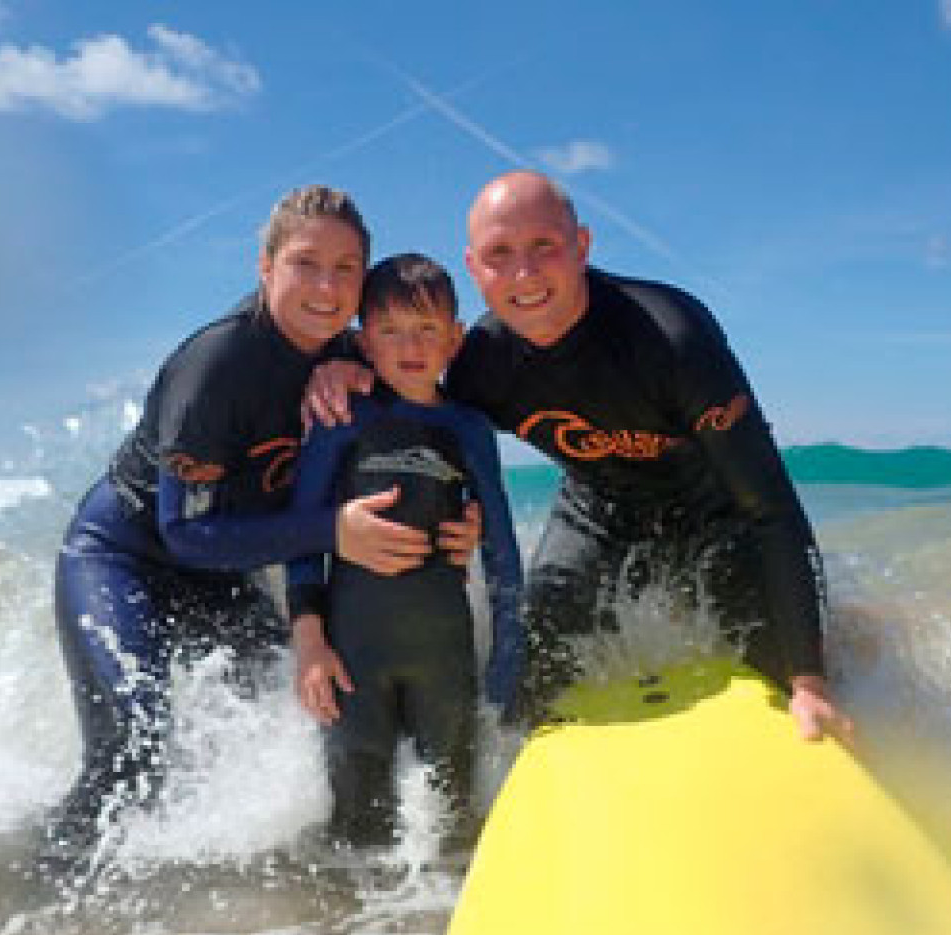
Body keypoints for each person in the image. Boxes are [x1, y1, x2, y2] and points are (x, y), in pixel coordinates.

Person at [307, 170, 852, 743]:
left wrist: (809, 681)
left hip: (717, 515)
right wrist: (344, 364)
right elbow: (411, 385)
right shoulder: (482, 364)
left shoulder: (672, 338)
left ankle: (845, 645)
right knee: (534, 673)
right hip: (598, 512)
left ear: (582, 246)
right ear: (475, 268)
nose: (524, 274)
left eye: (543, 246)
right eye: (500, 254)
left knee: (781, 672)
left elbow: (770, 508)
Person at [46, 185, 480, 854]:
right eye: (305, 264)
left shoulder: (360, 353)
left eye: (345, 269)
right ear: (265, 266)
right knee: (133, 746)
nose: (326, 287)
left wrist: (465, 517)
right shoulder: (216, 367)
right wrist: (333, 531)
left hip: (224, 573)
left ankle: (258, 884)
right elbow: (184, 533)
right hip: (125, 555)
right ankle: (54, 879)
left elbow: (434, 427)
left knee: (293, 713)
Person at [286, 253, 524, 851]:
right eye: (390, 330)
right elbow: (302, 536)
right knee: (356, 828)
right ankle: (342, 915)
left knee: (455, 821)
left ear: (454, 339)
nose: (410, 345)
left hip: (444, 655)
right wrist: (310, 643)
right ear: (364, 342)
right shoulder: (341, 418)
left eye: (426, 328)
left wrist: (508, 656)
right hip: (353, 658)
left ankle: (447, 911)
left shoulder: (469, 428)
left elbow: (500, 546)